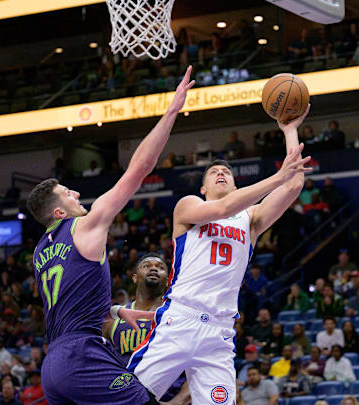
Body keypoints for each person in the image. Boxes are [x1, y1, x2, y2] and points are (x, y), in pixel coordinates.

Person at [24, 67, 195, 405]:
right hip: (82, 356)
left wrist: (114, 311)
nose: (75, 193)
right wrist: (172, 110)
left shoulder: (40, 250)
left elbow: (72, 301)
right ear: (58, 212)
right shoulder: (84, 227)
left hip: (53, 366)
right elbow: (139, 168)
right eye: (67, 194)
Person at [127, 102, 312, 405]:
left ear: (236, 183)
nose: (221, 173)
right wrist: (277, 177)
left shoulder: (251, 219)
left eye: (226, 171)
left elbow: (294, 185)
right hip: (180, 319)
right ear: (203, 187)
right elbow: (225, 207)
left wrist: (290, 130)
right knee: (128, 399)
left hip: (219, 333)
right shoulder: (188, 206)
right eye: (213, 172)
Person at [103, 254, 189, 403]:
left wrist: (178, 401)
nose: (154, 268)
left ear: (168, 280)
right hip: (126, 398)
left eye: (160, 267)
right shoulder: (113, 321)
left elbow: (199, 366)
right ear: (135, 278)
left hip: (166, 398)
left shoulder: (181, 317)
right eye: (147, 266)